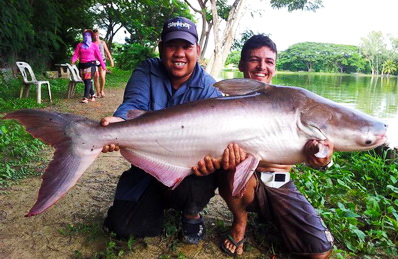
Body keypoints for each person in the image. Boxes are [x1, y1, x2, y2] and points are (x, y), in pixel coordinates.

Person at [100, 17, 240, 243]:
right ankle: (149, 202)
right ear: (161, 48)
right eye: (172, 46)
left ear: (197, 50)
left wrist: (214, 163)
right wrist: (119, 121)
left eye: (186, 47)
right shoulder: (147, 70)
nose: (179, 54)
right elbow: (133, 104)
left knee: (201, 177)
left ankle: (191, 213)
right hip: (147, 167)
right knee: (122, 227)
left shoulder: (210, 90)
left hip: (189, 172)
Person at [218, 35, 335, 258]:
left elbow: (324, 144)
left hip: (279, 181)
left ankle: (275, 214)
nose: (262, 67)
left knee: (319, 252)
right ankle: (240, 221)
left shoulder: (291, 102)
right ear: (242, 65)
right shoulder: (225, 103)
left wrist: (324, 161)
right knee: (232, 164)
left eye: (269, 62)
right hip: (241, 180)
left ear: (275, 67)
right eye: (254, 60)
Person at [71, 29, 106, 103]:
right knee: (87, 81)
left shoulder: (94, 46)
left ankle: (85, 98)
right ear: (83, 36)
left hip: (91, 65)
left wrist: (103, 65)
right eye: (85, 35)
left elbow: (99, 56)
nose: (87, 36)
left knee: (87, 81)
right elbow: (76, 54)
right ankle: (92, 95)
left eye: (89, 35)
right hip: (81, 65)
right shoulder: (80, 45)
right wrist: (73, 60)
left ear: (91, 36)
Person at [93, 29, 114, 98]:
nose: (96, 36)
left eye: (97, 35)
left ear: (98, 35)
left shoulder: (102, 42)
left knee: (102, 77)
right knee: (96, 77)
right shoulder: (92, 43)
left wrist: (111, 60)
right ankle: (97, 92)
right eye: (94, 35)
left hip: (102, 61)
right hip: (94, 61)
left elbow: (107, 52)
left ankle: (101, 90)